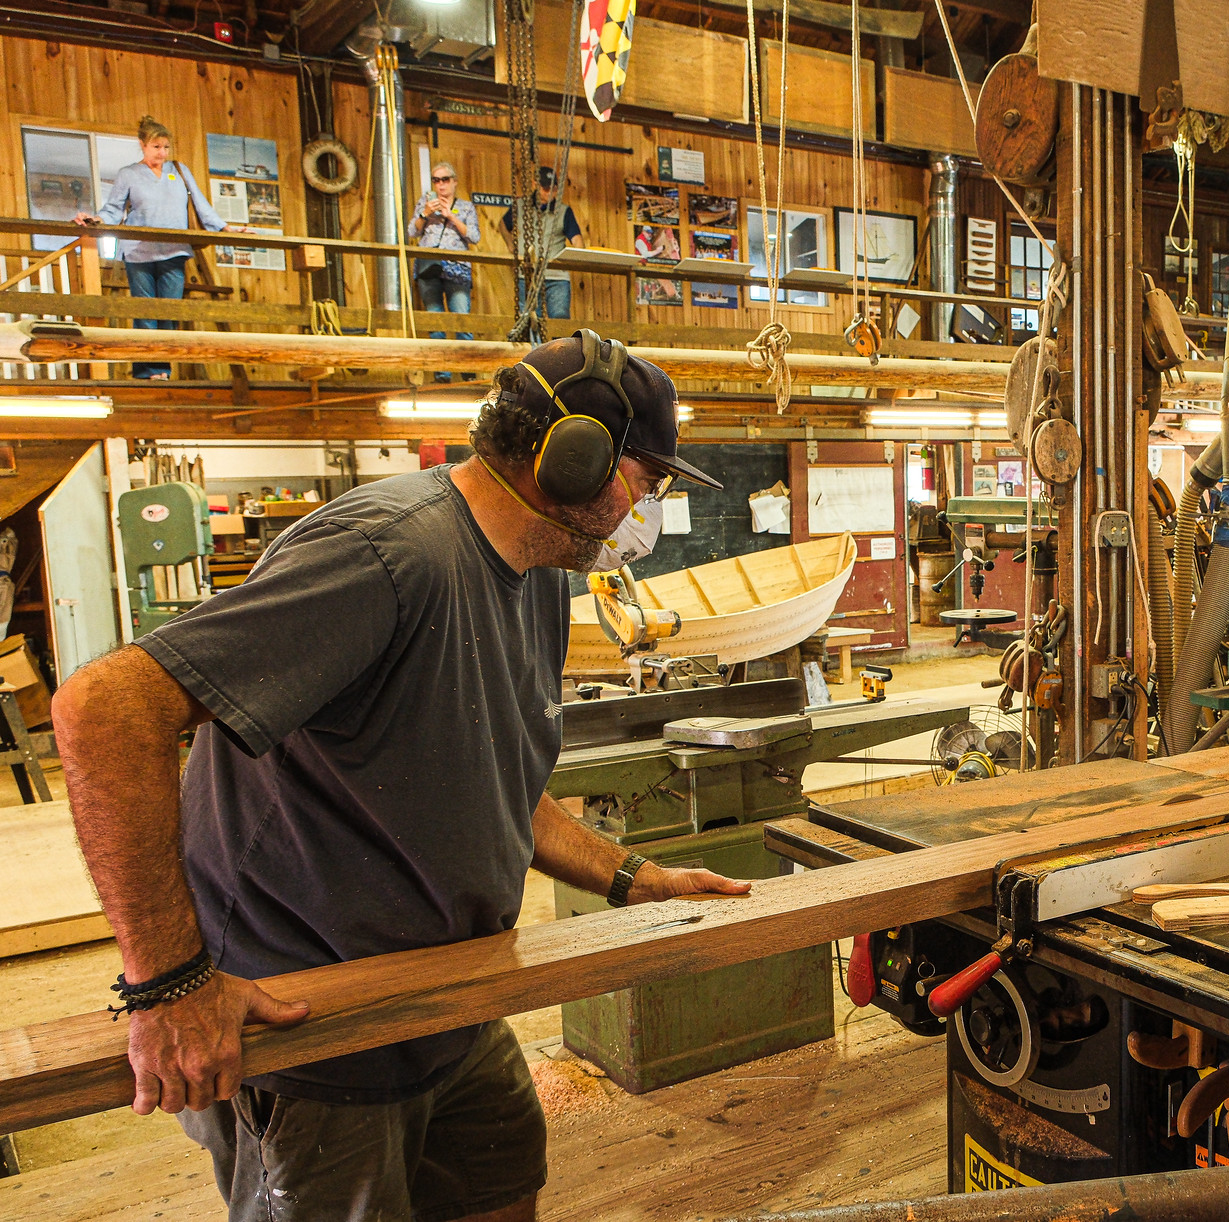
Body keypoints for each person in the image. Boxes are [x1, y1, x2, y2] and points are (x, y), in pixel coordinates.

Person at [53, 331, 732, 1221]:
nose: (648, 509)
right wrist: (169, 984)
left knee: (501, 1185)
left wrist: (634, 875)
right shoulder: (389, 553)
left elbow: (490, 779)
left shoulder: (533, 571)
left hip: (451, 1003)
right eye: (650, 482)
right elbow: (104, 710)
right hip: (317, 1032)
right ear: (577, 462)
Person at [73, 116, 239, 380]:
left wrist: (224, 228)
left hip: (174, 250)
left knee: (169, 311)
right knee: (145, 311)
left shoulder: (179, 170)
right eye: (155, 147)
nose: (161, 153)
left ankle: (163, 368)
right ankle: (147, 370)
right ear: (142, 145)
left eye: (165, 147)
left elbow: (200, 203)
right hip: (139, 251)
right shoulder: (129, 174)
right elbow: (114, 209)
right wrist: (97, 220)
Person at [409, 161, 481, 380]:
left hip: (457, 268)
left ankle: (467, 373)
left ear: (454, 182)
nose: (440, 185)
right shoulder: (425, 202)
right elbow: (411, 231)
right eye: (436, 180)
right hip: (429, 266)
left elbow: (475, 236)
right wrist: (425, 214)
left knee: (462, 320)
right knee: (435, 322)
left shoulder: (466, 207)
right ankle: (442, 374)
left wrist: (451, 216)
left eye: (445, 179)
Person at [502, 166, 583, 320]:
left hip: (556, 276)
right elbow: (503, 225)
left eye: (554, 188)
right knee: (528, 321)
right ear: (534, 185)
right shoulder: (520, 206)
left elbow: (577, 239)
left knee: (560, 319)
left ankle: (560, 346)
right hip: (526, 274)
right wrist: (510, 244)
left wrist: (579, 255)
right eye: (546, 188)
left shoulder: (564, 211)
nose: (550, 192)